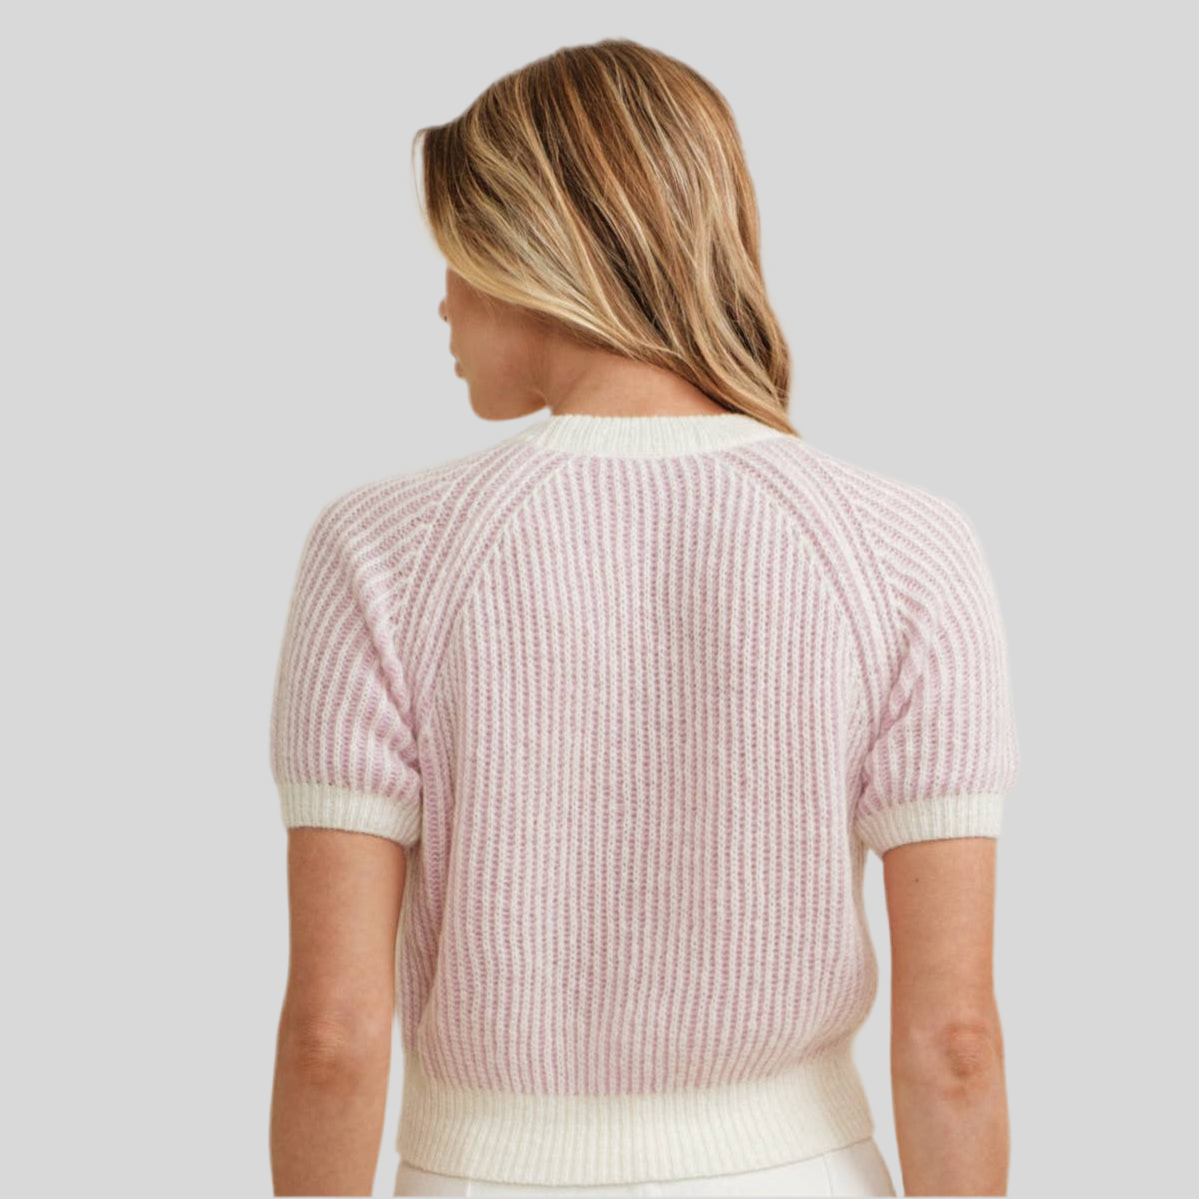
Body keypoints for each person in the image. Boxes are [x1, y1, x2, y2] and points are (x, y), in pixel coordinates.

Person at [267, 38, 1018, 1199]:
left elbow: (332, 1034)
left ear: (531, 249)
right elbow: (953, 1041)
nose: (442, 298)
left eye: (457, 254)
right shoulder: (905, 547)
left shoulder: (381, 551)